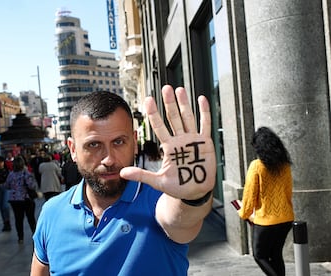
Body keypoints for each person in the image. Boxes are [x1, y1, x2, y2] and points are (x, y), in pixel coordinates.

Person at [31, 85, 216, 275]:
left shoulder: (158, 200)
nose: (108, 159)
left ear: (134, 143)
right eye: (93, 145)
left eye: (119, 142)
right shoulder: (51, 213)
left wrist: (193, 197)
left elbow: (180, 219)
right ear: (73, 149)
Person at [238, 126, 294, 276]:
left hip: (266, 222)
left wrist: (244, 213)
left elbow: (249, 194)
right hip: (286, 219)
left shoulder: (256, 166)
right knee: (276, 255)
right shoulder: (285, 165)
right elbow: (288, 193)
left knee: (260, 255)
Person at [4, 156, 37, 244]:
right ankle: (35, 234)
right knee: (31, 218)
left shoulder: (11, 174)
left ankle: (20, 237)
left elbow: (6, 185)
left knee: (18, 218)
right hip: (25, 198)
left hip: (14, 200)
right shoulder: (26, 173)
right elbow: (31, 186)